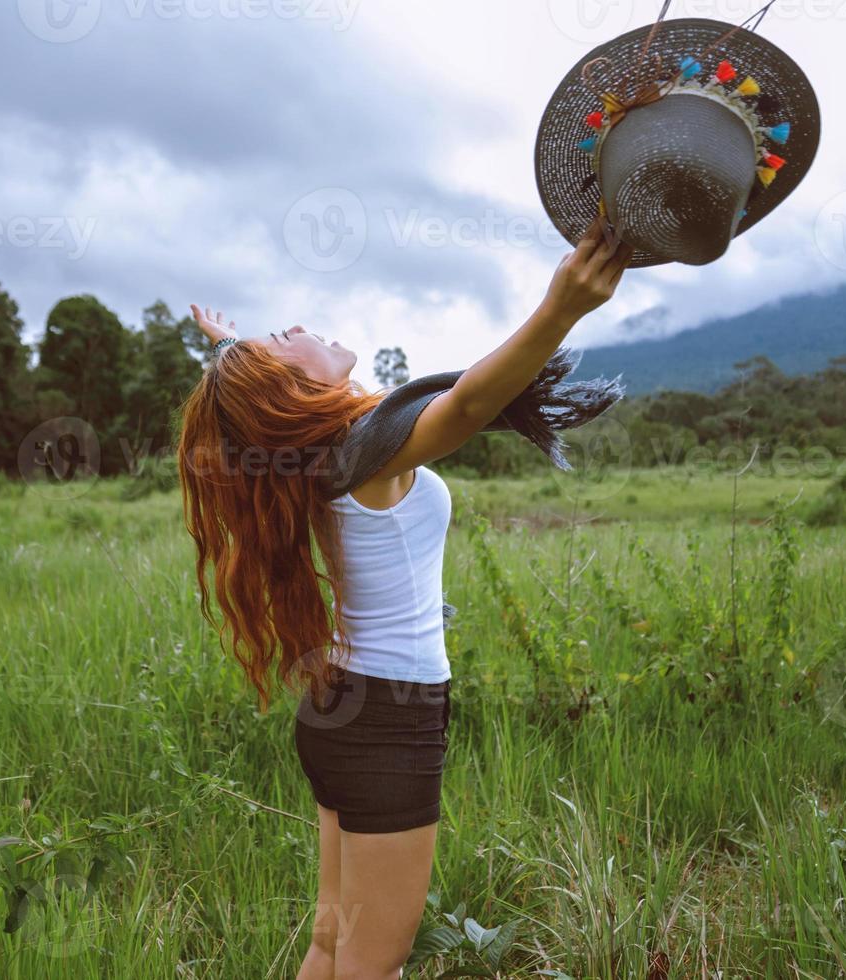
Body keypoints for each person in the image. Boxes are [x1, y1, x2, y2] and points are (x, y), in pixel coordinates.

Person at [176, 216, 632, 979]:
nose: (288, 326)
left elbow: (255, 400)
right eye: (274, 343)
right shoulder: (360, 451)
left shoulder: (319, 452)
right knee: (375, 963)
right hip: (388, 720)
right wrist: (562, 308)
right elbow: (465, 408)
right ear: (296, 387)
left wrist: (225, 346)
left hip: (340, 709)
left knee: (332, 942)